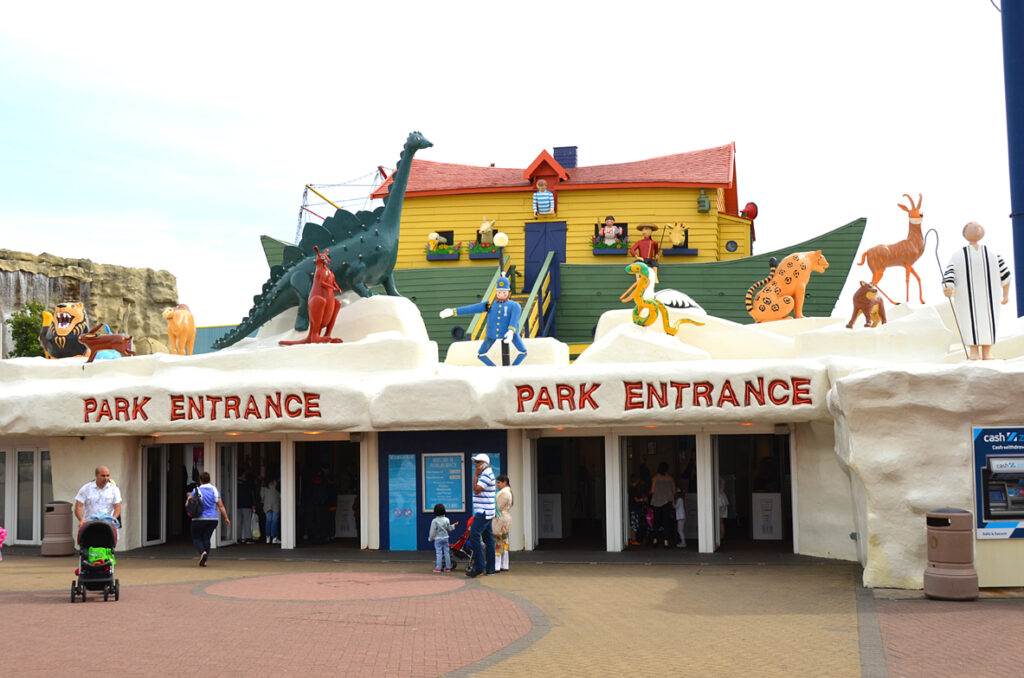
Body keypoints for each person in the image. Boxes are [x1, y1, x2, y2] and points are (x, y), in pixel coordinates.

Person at [943, 221, 1012, 360]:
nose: (977, 229)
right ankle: (973, 351)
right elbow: (949, 273)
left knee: (989, 321)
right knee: (969, 322)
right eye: (973, 227)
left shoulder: (992, 254)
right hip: (966, 298)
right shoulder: (958, 255)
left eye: (978, 227)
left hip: (990, 298)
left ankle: (987, 352)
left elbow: (1005, 276)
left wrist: (1006, 295)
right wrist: (948, 288)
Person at [440, 274, 527, 366]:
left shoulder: (514, 306)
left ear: (508, 293)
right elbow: (473, 308)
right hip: (492, 334)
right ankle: (495, 369)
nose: (501, 295)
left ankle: (512, 369)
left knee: (523, 352)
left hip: (510, 334)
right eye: (499, 292)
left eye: (504, 292)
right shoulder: (490, 305)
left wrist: (511, 331)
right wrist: (453, 311)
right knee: (481, 354)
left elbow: (514, 319)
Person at [186, 471, 230, 567]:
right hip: (213, 519)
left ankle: (203, 553)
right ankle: (205, 561)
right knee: (206, 538)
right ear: (209, 479)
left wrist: (189, 498)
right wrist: (226, 518)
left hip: (198, 519)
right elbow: (221, 505)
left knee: (196, 538)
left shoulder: (196, 490)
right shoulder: (214, 490)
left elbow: (187, 504)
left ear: (200, 480)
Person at [466, 453, 496, 577]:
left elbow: (477, 489)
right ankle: (490, 568)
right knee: (489, 540)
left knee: (474, 535)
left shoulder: (485, 474)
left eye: (478, 462)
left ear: (484, 463)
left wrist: (475, 476)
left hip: (483, 512)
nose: (475, 464)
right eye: (475, 462)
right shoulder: (487, 473)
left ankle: (479, 566)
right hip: (488, 511)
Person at [649, 462, 675, 548]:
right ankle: (666, 541)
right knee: (666, 522)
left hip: (657, 503)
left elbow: (652, 491)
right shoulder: (670, 478)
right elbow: (674, 491)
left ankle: (655, 540)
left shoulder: (655, 478)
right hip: (667, 502)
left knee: (656, 521)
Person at [492, 474, 514, 572]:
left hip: (500, 519)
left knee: (498, 541)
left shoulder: (504, 493)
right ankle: (504, 564)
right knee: (504, 541)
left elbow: (498, 507)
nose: (497, 485)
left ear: (505, 482)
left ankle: (497, 565)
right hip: (505, 518)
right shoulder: (508, 492)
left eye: (499, 482)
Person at [428, 504, 458, 573]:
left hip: (438, 539)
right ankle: (448, 568)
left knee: (439, 553)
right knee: (447, 552)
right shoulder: (447, 519)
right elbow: (449, 529)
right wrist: (454, 525)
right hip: (445, 538)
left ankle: (438, 568)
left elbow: (432, 531)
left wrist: (430, 538)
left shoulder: (434, 521)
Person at [236, 471, 257, 544]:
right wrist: (253, 504)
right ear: (243, 474)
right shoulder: (247, 483)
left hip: (237, 504)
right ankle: (248, 538)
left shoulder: (234, 482)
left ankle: (237, 538)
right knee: (247, 521)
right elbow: (251, 494)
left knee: (238, 522)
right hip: (247, 504)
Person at [628, 475, 646, 546]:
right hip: (634, 509)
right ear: (636, 481)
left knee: (634, 524)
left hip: (632, 508)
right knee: (634, 525)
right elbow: (636, 499)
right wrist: (643, 499)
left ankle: (633, 539)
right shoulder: (634, 489)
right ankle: (633, 540)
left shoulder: (630, 488)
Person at [262, 477, 281, 544]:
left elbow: (262, 496)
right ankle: (274, 538)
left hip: (267, 505)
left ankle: (268, 538)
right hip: (275, 505)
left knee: (268, 521)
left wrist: (264, 501)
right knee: (274, 522)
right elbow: (280, 495)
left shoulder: (264, 486)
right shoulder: (277, 485)